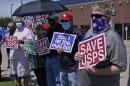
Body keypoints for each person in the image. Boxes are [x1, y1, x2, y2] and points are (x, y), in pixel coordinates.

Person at [74, 3, 127, 86]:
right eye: (92, 15)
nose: (94, 18)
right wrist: (78, 55)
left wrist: (98, 72)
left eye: (98, 16)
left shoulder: (114, 38)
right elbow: (84, 53)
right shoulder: (89, 32)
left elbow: (122, 67)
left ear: (108, 18)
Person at [57, 13, 84, 86]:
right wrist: (59, 51)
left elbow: (85, 50)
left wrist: (78, 53)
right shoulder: (61, 35)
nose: (64, 23)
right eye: (62, 22)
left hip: (73, 70)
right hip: (62, 68)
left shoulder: (78, 34)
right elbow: (60, 51)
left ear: (71, 21)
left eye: (66, 21)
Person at [9, 17, 33, 86]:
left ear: (22, 22)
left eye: (19, 22)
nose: (18, 23)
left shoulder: (26, 31)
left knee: (24, 74)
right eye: (17, 22)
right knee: (17, 74)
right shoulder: (15, 31)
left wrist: (22, 41)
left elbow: (31, 43)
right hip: (14, 56)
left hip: (23, 56)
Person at [45, 12, 64, 86]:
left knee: (58, 80)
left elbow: (62, 43)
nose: (49, 21)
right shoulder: (49, 29)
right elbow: (46, 40)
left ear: (56, 19)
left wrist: (51, 45)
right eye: (49, 20)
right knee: (49, 80)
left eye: (51, 20)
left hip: (56, 57)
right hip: (48, 57)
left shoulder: (61, 28)